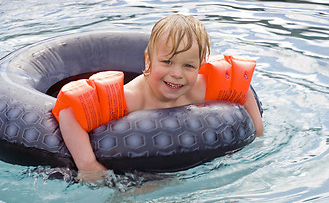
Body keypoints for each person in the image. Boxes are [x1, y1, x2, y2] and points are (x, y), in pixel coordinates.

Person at [57, 14, 264, 178]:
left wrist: (258, 130)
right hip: (136, 166)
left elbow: (240, 88)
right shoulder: (133, 97)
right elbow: (69, 110)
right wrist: (88, 165)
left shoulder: (200, 88)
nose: (177, 74)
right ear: (148, 61)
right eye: (167, 62)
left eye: (188, 65)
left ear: (200, 65)